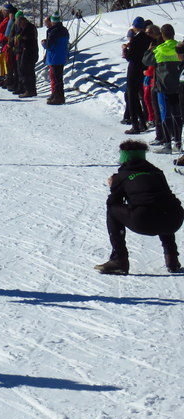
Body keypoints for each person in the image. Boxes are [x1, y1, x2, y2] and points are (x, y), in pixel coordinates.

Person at [95, 140, 183, 275]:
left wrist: (114, 186)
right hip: (174, 219)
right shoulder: (157, 172)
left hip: (143, 221)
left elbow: (113, 202)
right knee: (162, 204)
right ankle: (172, 259)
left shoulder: (121, 176)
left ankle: (119, 260)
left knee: (113, 210)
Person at [143, 24, 182, 153]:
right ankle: (178, 143)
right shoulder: (179, 47)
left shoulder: (159, 49)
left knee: (165, 115)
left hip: (163, 87)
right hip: (178, 87)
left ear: (163, 35)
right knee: (177, 115)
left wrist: (149, 50)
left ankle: (167, 144)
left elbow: (146, 61)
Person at [122, 16, 154, 134]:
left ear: (135, 26)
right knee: (139, 95)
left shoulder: (135, 39)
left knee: (132, 97)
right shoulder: (148, 39)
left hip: (133, 70)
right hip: (143, 69)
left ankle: (135, 125)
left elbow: (130, 56)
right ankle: (142, 122)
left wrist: (125, 50)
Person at [42, 12, 69, 105]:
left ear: (53, 21)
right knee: (58, 78)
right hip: (61, 56)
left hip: (54, 57)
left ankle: (58, 97)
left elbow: (49, 46)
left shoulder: (54, 31)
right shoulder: (64, 30)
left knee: (56, 78)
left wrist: (44, 44)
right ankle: (56, 95)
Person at [13, 11, 38, 98]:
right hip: (24, 50)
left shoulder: (30, 28)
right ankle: (28, 89)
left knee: (27, 70)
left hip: (30, 51)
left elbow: (30, 39)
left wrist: (21, 39)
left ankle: (29, 89)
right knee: (23, 69)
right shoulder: (23, 28)